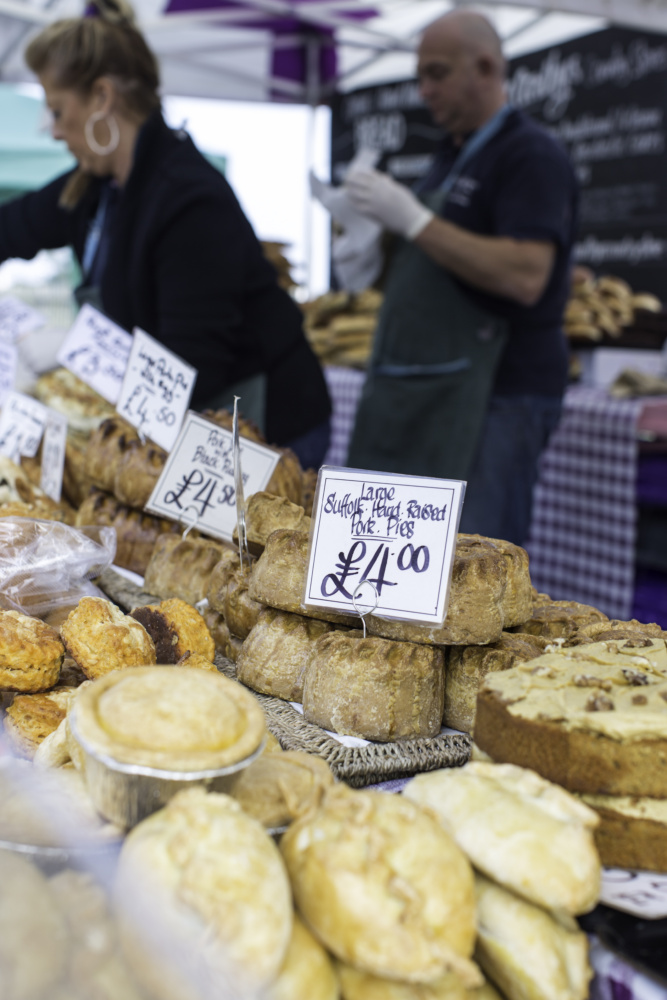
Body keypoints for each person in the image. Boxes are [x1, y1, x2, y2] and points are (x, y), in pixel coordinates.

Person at [0, 0, 331, 468]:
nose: (53, 132)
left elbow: (188, 365)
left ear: (101, 97)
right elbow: (12, 228)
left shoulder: (189, 199)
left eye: (56, 111)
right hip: (186, 411)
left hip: (260, 419)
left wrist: (77, 348)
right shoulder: (95, 187)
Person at [343, 10, 578, 546]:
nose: (424, 90)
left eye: (438, 73)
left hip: (496, 397)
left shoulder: (530, 155)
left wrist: (417, 220)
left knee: (475, 567)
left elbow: (526, 275)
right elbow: (430, 269)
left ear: (488, 66)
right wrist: (369, 250)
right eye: (420, 75)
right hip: (429, 393)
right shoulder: (447, 157)